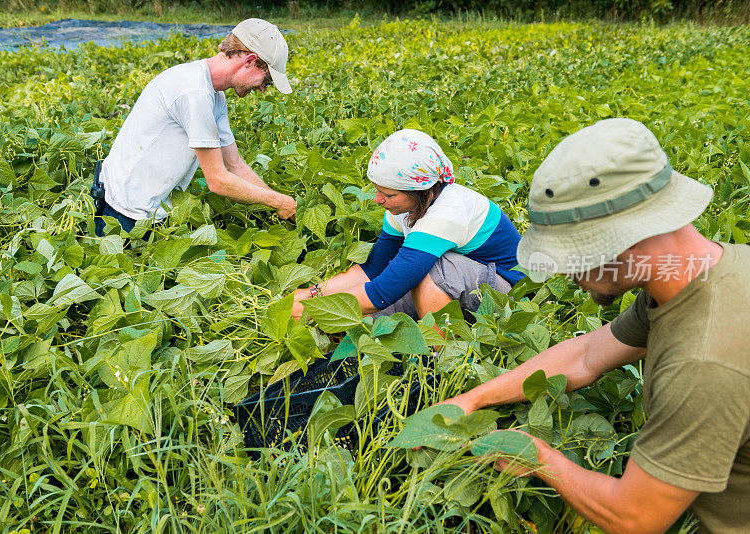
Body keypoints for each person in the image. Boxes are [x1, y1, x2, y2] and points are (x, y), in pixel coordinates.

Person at [440, 118, 749, 533]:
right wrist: (473, 400)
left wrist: (537, 457)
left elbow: (634, 518)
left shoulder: (705, 360)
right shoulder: (708, 273)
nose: (564, 271)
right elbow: (585, 355)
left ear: (626, 240)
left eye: (573, 253)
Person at [291, 129, 524, 321]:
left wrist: (315, 308)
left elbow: (384, 291)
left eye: (388, 195)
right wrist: (312, 294)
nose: (377, 200)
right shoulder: (404, 208)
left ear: (418, 191)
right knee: (370, 319)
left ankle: (441, 359)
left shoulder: (446, 215)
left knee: (431, 272)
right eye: (378, 191)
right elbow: (373, 269)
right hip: (468, 284)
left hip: (511, 298)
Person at [93, 18, 297, 237]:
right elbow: (218, 181)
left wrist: (285, 207)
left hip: (149, 214)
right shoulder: (194, 93)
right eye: (266, 80)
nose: (263, 90)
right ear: (249, 61)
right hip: (120, 216)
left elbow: (235, 165)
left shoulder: (214, 94)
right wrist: (279, 201)